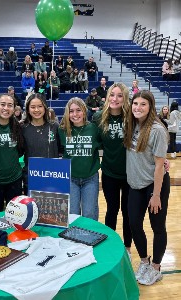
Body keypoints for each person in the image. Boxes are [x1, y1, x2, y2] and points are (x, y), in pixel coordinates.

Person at [124, 90, 170, 286]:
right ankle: (144, 261)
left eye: (143, 104)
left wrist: (157, 195)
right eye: (135, 104)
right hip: (135, 185)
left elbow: (160, 165)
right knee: (134, 224)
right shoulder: (133, 124)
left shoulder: (157, 130)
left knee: (157, 227)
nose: (138, 107)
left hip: (154, 186)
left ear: (150, 107)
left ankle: (156, 268)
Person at [92, 82, 132, 258]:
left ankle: (128, 248)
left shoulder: (132, 116)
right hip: (109, 173)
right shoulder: (99, 117)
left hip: (131, 174)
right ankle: (110, 245)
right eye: (112, 95)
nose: (115, 99)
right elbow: (93, 142)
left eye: (119, 95)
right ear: (107, 97)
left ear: (125, 98)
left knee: (128, 212)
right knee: (112, 210)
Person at [58, 97, 100, 220]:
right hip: (70, 178)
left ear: (84, 111)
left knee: (89, 214)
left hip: (90, 178)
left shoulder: (93, 128)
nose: (75, 114)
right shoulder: (62, 130)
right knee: (72, 214)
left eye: (78, 110)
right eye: (71, 111)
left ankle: (91, 238)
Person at [0, 94, 24, 212]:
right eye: (2, 104)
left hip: (15, 180)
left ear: (14, 109)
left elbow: (20, 151)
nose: (6, 108)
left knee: (15, 217)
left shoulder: (17, 127)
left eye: (10, 105)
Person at [22, 93, 60, 194]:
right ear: (28, 109)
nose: (36, 110)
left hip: (53, 177)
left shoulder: (54, 126)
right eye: (33, 107)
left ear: (45, 108)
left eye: (40, 106)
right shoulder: (23, 128)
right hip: (31, 178)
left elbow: (61, 149)